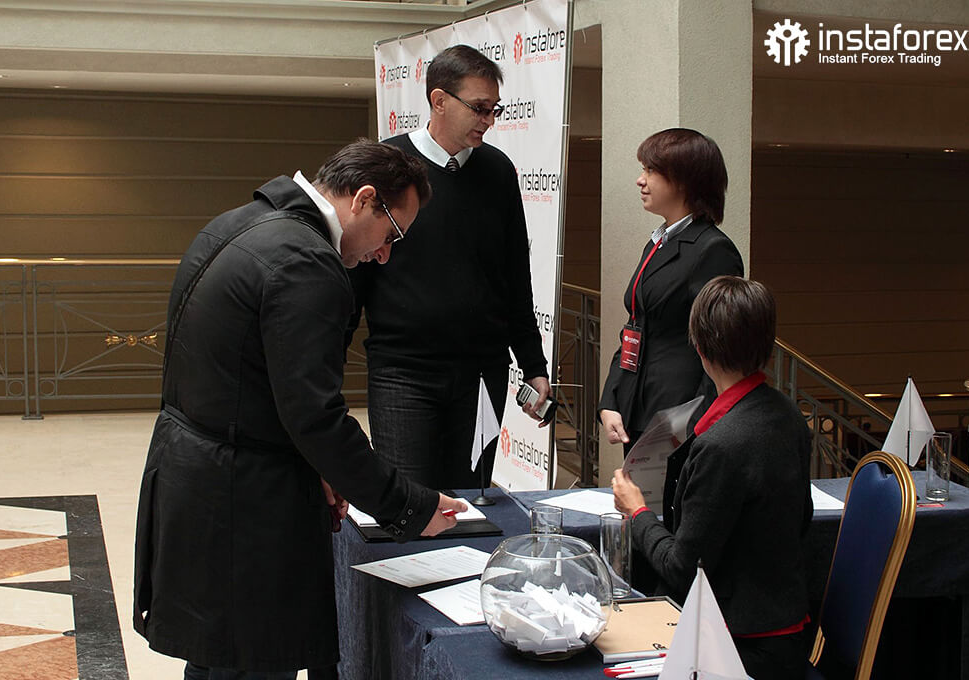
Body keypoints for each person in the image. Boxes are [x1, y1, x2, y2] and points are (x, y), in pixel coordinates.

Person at [133, 140, 467, 680]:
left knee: (218, 662)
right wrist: (409, 505)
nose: (385, 254)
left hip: (198, 476)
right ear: (363, 199)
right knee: (251, 663)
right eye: (392, 234)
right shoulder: (305, 262)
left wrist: (322, 466)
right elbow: (316, 416)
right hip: (246, 503)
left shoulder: (238, 223)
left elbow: (258, 382)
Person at [347, 44, 550, 490]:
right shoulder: (389, 166)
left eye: (494, 109)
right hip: (403, 372)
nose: (488, 120)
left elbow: (515, 277)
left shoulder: (498, 171)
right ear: (439, 100)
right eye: (479, 108)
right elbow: (354, 273)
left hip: (482, 375)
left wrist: (533, 364)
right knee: (408, 503)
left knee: (471, 502)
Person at [612, 276, 813, 680]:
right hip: (787, 633)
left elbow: (682, 568)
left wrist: (637, 513)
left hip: (736, 647)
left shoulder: (721, 446)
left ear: (700, 348)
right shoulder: (789, 415)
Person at [599, 128, 743, 454]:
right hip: (638, 407)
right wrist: (611, 399)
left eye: (651, 170)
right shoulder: (659, 242)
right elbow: (635, 326)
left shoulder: (712, 250)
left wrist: (696, 427)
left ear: (684, 180)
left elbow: (721, 349)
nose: (640, 180)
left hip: (679, 420)